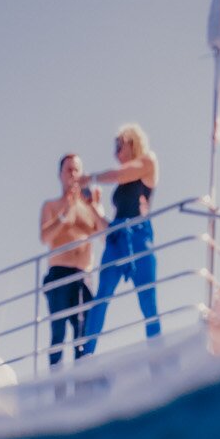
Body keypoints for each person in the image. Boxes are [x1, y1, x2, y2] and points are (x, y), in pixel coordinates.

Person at [78, 123, 160, 356]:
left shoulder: (148, 162)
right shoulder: (120, 178)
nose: (115, 153)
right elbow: (107, 227)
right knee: (101, 298)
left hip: (139, 234)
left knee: (147, 300)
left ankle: (157, 354)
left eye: (119, 146)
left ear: (132, 143)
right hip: (116, 237)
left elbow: (121, 175)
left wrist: (90, 178)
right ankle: (87, 355)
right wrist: (92, 207)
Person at [38, 153, 106, 365]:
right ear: (60, 174)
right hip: (59, 273)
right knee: (58, 333)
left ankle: (82, 387)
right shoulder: (51, 206)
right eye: (69, 170)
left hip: (83, 276)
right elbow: (45, 237)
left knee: (82, 333)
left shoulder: (91, 205)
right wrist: (65, 214)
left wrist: (94, 207)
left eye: (77, 169)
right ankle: (56, 390)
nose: (73, 174)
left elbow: (105, 235)